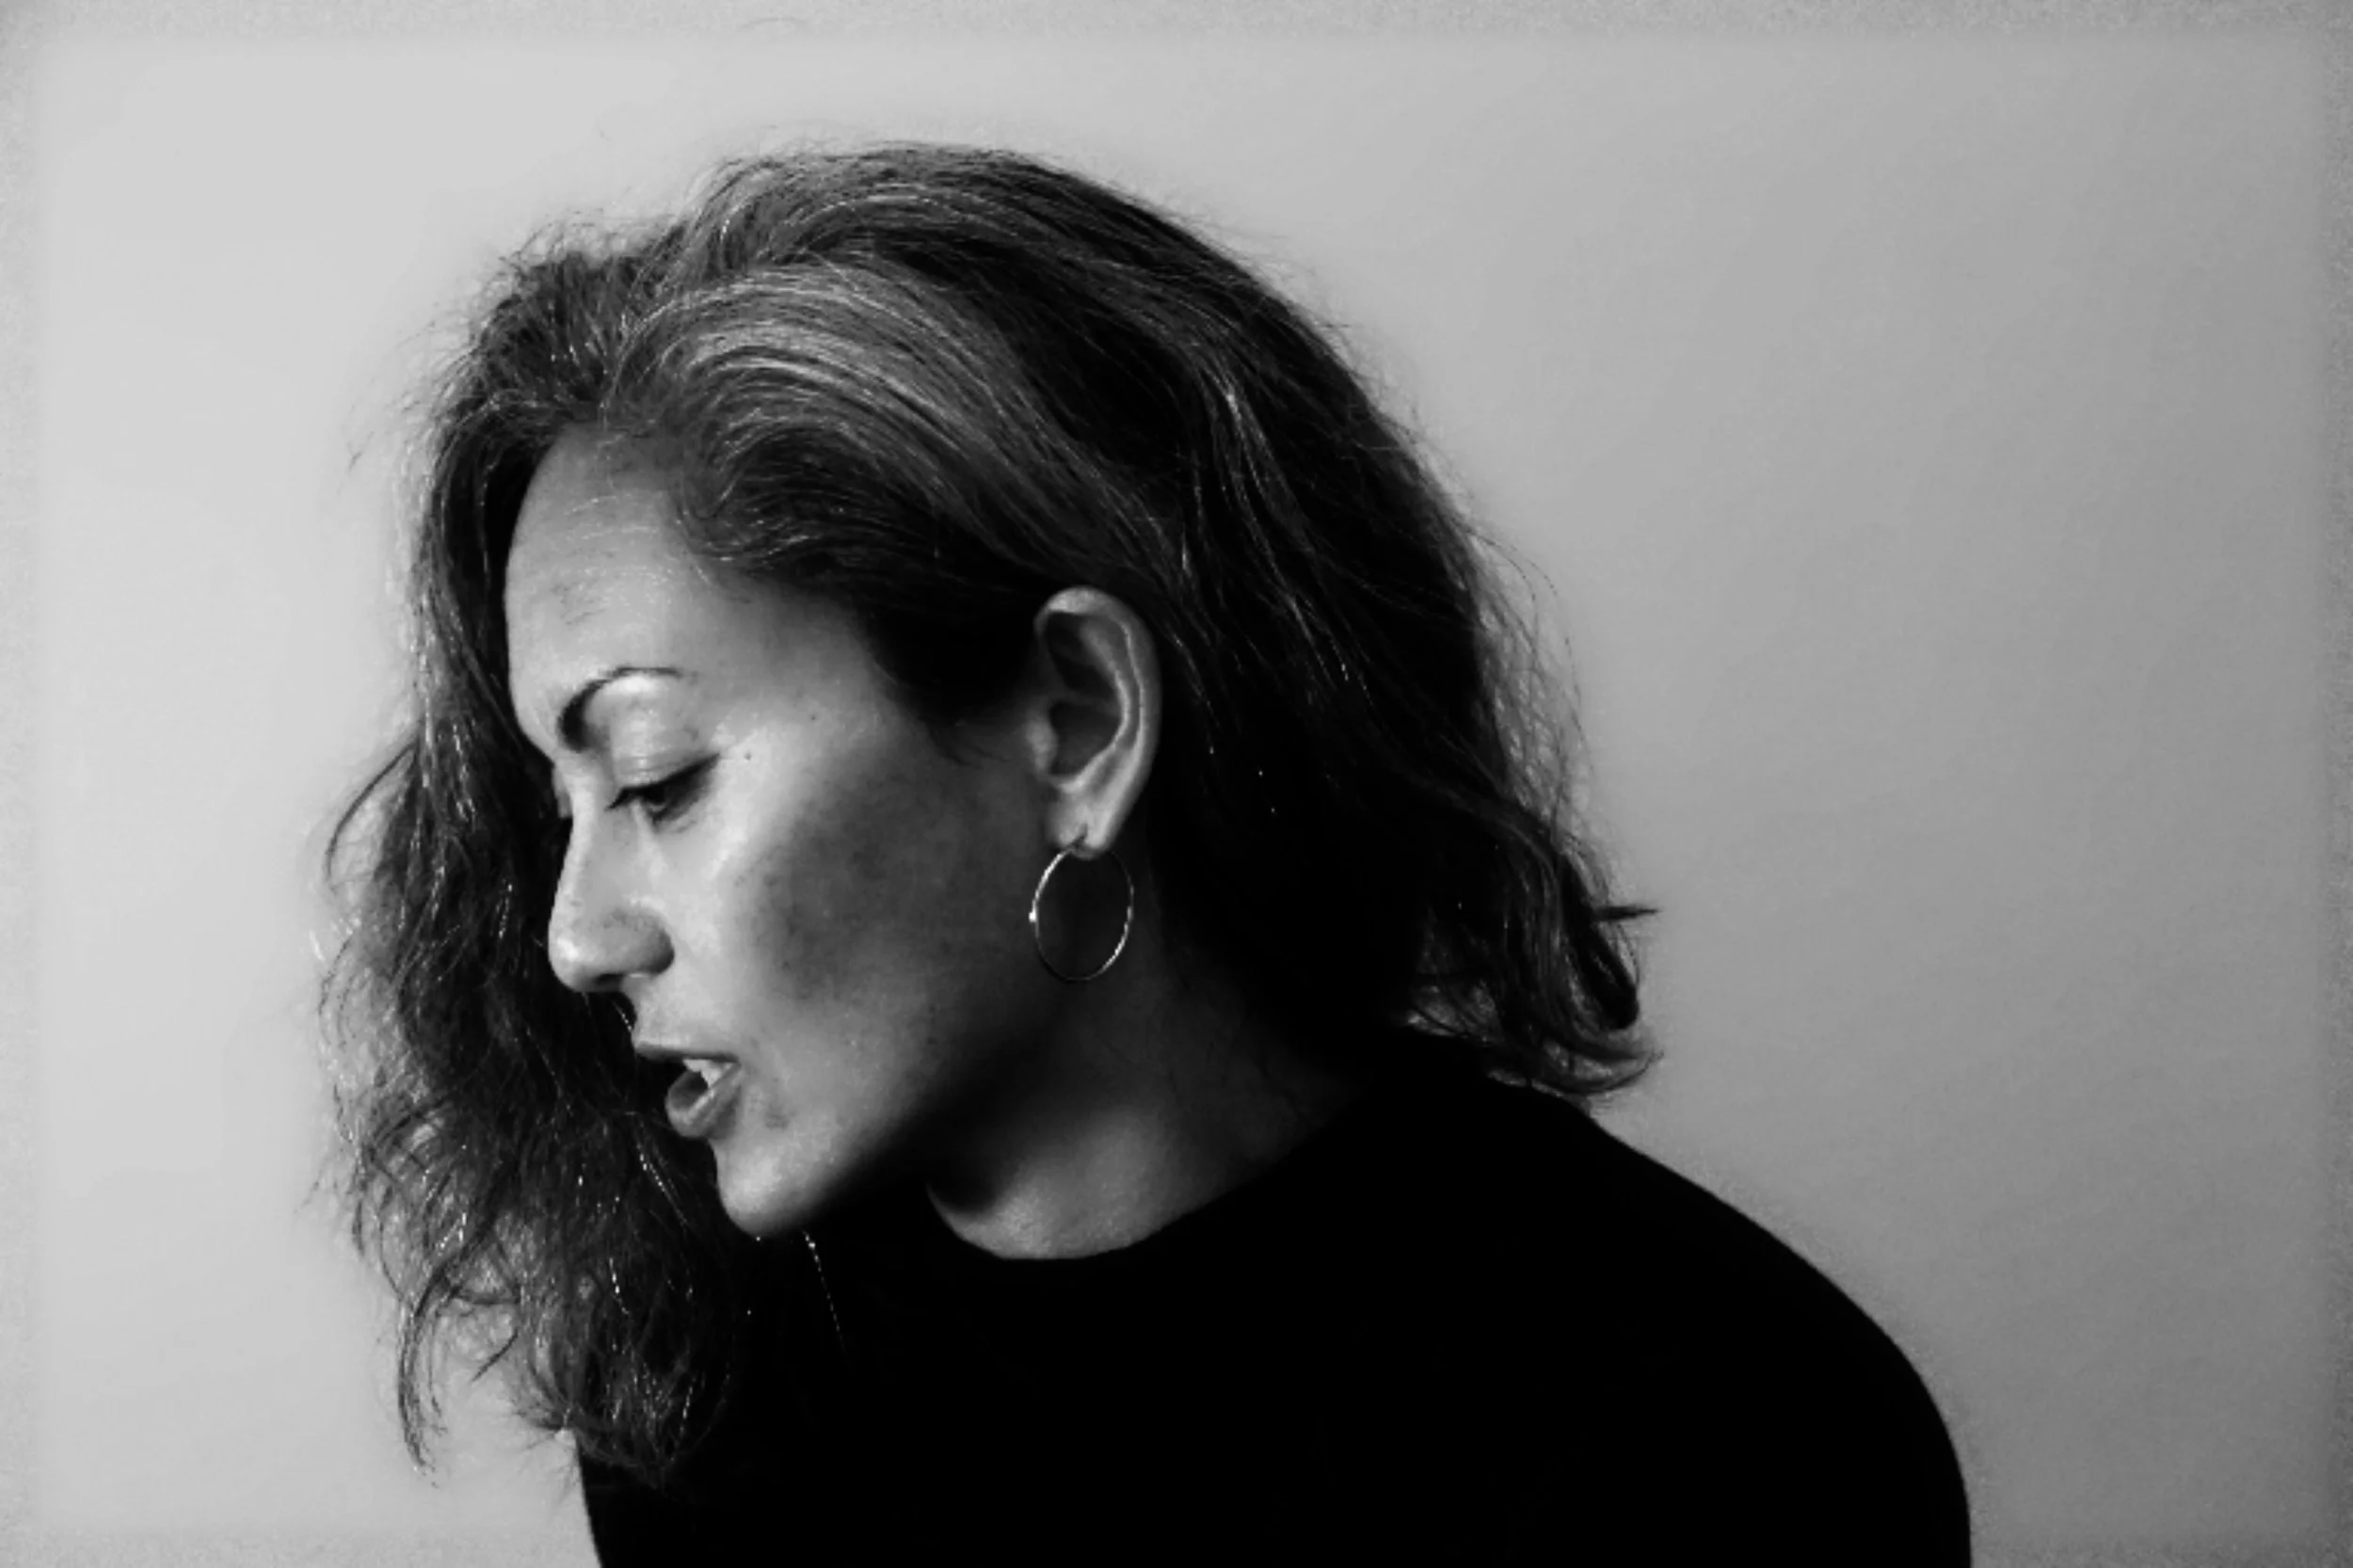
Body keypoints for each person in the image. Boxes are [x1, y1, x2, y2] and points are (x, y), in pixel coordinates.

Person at [324, 141, 1970, 1561]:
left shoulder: (1710, 1436)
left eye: (658, 778)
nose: (576, 935)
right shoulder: (721, 1384)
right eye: (560, 807)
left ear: (1080, 722)